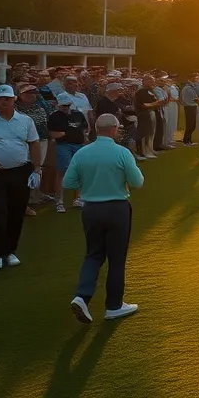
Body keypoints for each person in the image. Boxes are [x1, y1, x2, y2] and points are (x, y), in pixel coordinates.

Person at [67, 114, 145, 322]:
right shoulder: (122, 152)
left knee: (93, 254)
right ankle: (114, 306)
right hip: (117, 208)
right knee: (116, 259)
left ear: (96, 129)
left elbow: (69, 182)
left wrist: (89, 185)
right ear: (113, 129)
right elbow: (137, 182)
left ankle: (82, 296)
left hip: (91, 208)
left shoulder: (82, 153)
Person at [0, 85, 42, 271]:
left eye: (7, 99)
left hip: (20, 171)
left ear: (14, 100)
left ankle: (10, 251)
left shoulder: (25, 121)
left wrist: (37, 169)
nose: (3, 102)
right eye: (0, 99)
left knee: (16, 212)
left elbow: (34, 144)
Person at [49, 92, 90, 213]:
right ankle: (59, 201)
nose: (65, 108)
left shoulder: (78, 114)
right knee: (62, 172)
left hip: (79, 145)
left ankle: (77, 198)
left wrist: (85, 137)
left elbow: (84, 127)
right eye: (63, 105)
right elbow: (51, 133)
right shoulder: (54, 116)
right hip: (63, 146)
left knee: (79, 171)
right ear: (58, 105)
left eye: (67, 105)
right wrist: (62, 134)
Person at [15, 84, 51, 213]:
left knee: (38, 168)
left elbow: (45, 123)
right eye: (29, 93)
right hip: (25, 143)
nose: (32, 96)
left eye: (34, 93)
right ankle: (25, 200)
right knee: (26, 169)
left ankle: (35, 195)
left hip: (41, 140)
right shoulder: (16, 109)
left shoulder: (40, 108)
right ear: (21, 95)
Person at [134, 75, 161, 160]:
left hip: (150, 112)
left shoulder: (150, 90)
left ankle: (149, 149)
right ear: (145, 81)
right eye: (151, 80)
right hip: (144, 114)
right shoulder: (142, 91)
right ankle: (144, 152)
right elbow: (144, 104)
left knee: (150, 132)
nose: (153, 82)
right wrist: (156, 103)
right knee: (145, 133)